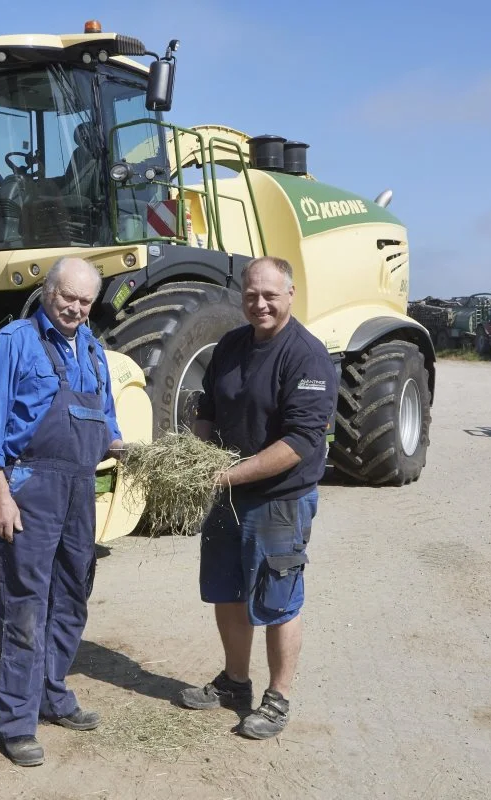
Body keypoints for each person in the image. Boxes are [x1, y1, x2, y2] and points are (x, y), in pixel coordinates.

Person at [0, 256, 126, 767]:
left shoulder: (96, 350)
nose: (75, 308)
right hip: (29, 484)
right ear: (47, 291)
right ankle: (16, 721)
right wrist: (0, 493)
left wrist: (122, 445)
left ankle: (53, 693)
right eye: (67, 297)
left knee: (74, 594)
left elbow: (105, 418)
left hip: (80, 487)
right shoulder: (14, 341)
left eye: (85, 301)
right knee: (25, 604)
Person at [177, 256, 338, 740]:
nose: (260, 304)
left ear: (290, 295)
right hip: (227, 493)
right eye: (251, 295)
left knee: (276, 600)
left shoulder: (307, 357)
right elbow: (207, 402)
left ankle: (278, 697)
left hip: (278, 500)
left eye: (270, 295)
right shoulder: (231, 344)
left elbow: (301, 442)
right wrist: (201, 452)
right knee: (226, 590)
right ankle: (234, 682)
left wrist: (229, 475)